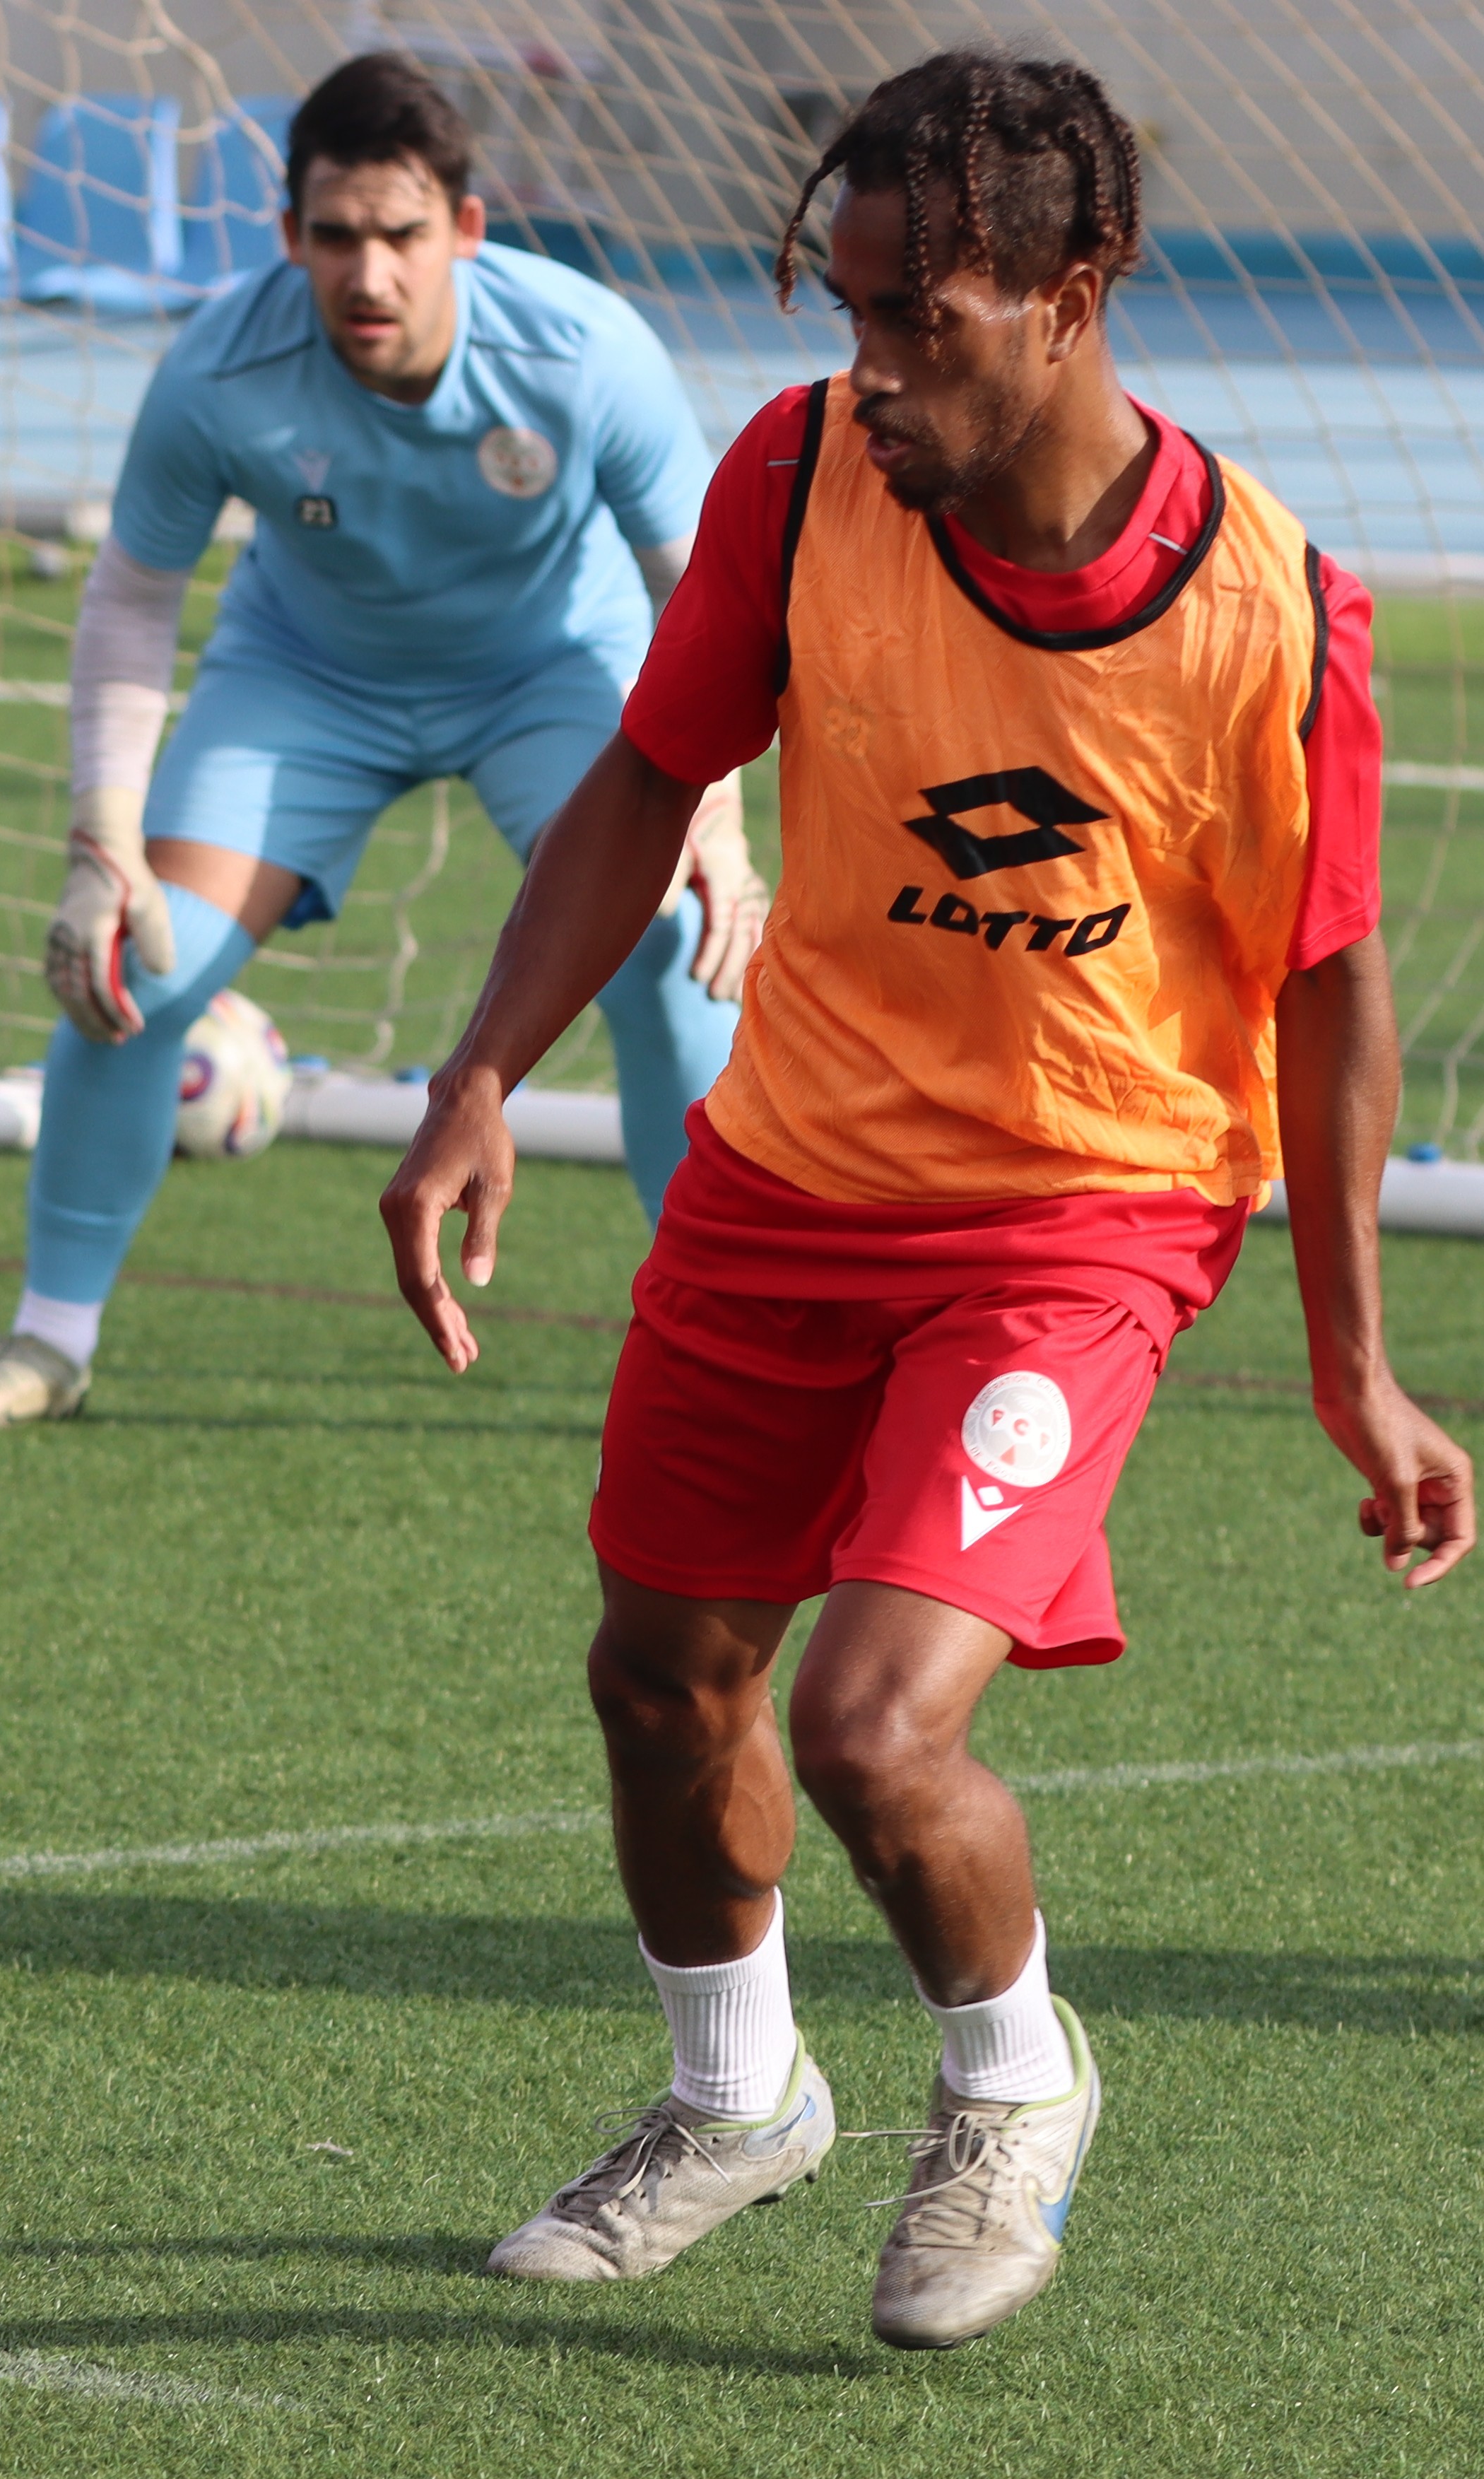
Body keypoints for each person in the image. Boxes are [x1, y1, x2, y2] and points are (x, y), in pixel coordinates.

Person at [379, 49, 1469, 2350]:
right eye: (848, 310)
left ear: (1078, 292)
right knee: (661, 1676)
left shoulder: (1272, 616)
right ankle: (735, 2095)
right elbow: (649, 769)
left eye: (923, 324)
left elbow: (1327, 1001)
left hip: (1074, 1222)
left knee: (875, 1728)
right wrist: (480, 1067)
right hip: (777, 1183)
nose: (867, 367)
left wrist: (1350, 1359)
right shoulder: (791, 475)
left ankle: (1003, 2083)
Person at [0, 52, 764, 1434]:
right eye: (334, 237)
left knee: (676, 957)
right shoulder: (219, 365)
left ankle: (727, 1350)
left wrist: (721, 824)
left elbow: (704, 586)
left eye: (400, 235)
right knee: (138, 967)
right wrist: (105, 838)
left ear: (465, 227)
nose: (368, 274)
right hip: (307, 682)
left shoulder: (584, 351)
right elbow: (136, 597)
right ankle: (50, 1339)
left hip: (552, 674)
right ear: (290, 238)